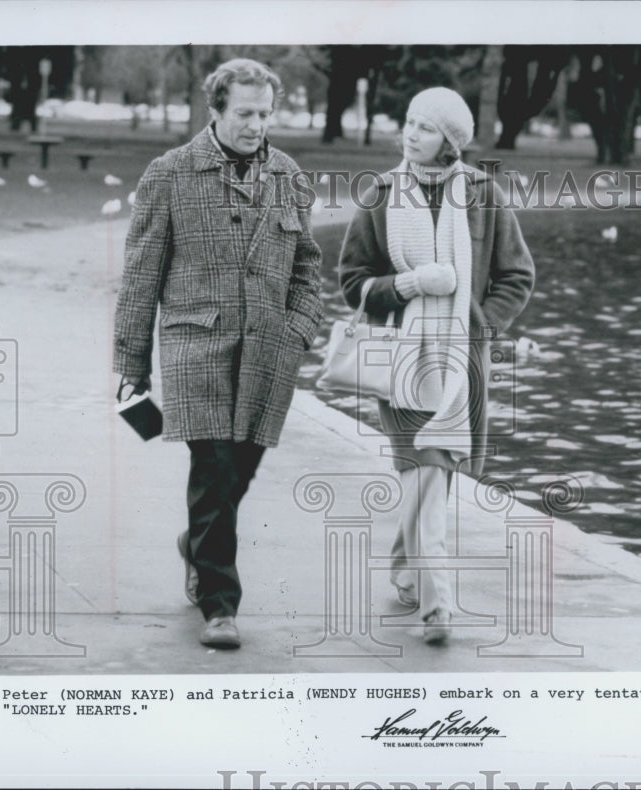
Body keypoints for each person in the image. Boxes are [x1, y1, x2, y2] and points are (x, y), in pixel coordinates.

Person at [113, 58, 323, 649]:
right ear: (216, 111)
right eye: (244, 113)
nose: (257, 125)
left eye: (265, 113)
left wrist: (298, 329)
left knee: (240, 471)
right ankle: (219, 606)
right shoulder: (169, 173)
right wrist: (131, 368)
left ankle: (196, 548)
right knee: (215, 468)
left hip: (268, 352)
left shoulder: (288, 174)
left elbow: (308, 267)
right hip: (194, 344)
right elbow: (139, 278)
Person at [338, 87, 535, 645]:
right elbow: (354, 282)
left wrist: (480, 327)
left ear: (450, 142)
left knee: (432, 475)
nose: (411, 133)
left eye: (425, 127)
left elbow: (517, 276)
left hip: (458, 362)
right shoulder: (379, 194)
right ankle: (437, 605)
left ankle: (407, 570)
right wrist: (409, 285)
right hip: (400, 358)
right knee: (424, 472)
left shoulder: (482, 193)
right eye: (408, 122)